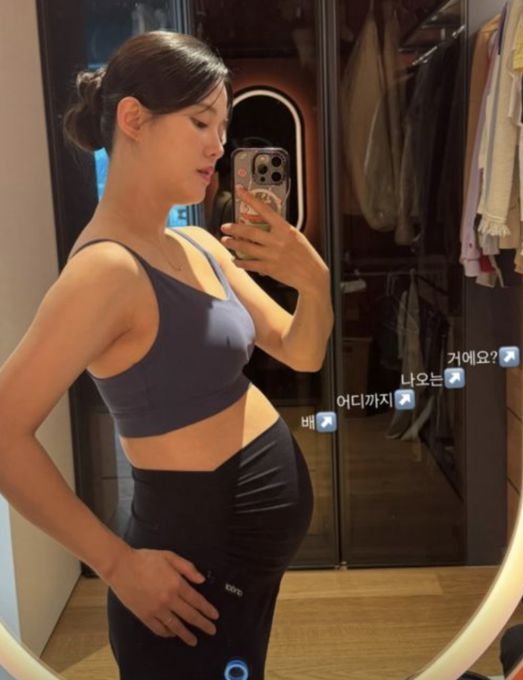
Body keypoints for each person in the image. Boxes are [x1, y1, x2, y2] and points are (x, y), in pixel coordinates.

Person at [0, 30, 334, 679]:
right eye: (201, 122)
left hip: (243, 572)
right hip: (188, 588)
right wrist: (116, 563)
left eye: (224, 127)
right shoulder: (106, 272)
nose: (218, 146)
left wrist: (314, 282)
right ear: (134, 119)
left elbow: (303, 354)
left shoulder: (198, 247)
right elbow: (4, 431)